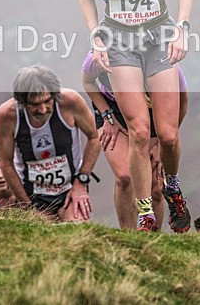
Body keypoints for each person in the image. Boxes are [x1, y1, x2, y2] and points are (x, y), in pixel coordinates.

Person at [78, 0, 194, 232]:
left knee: (168, 135)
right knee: (140, 132)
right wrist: (95, 35)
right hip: (119, 42)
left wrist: (181, 30)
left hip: (159, 36)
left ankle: (172, 187)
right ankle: (145, 214)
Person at [81, 50, 189, 229]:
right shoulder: (101, 56)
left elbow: (182, 102)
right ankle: (129, 236)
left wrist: (161, 144)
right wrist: (107, 115)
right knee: (125, 178)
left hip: (153, 115)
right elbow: (86, 81)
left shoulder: (163, 63)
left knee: (155, 186)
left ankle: (152, 237)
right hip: (113, 110)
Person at [0, 65, 101, 222]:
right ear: (21, 102)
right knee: (41, 233)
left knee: (77, 228)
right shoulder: (7, 115)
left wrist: (81, 182)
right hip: (31, 193)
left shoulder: (70, 101)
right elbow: (6, 163)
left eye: (47, 101)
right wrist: (27, 207)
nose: (43, 110)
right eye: (34, 104)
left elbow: (95, 136)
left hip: (70, 188)